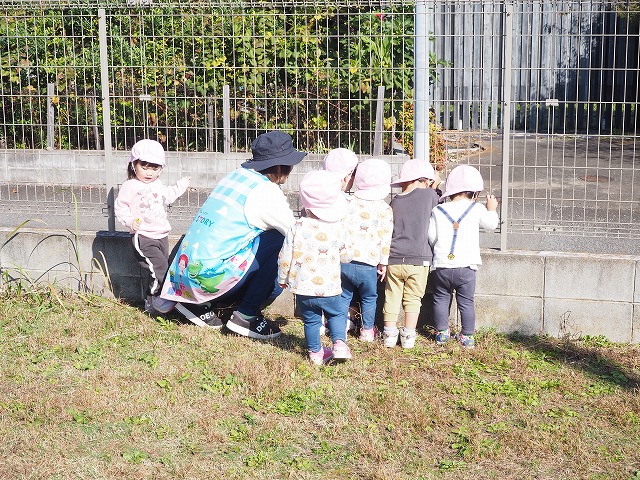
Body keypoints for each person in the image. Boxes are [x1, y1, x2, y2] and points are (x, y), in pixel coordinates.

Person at [161, 131, 306, 339]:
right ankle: (246, 316)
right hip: (207, 279)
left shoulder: (235, 176)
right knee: (280, 241)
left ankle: (195, 305)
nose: (291, 169)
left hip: (182, 279)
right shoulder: (266, 192)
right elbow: (296, 234)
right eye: (290, 164)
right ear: (279, 166)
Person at [277, 170, 354, 364]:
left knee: (311, 320)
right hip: (330, 288)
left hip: (303, 289)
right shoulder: (338, 227)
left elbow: (285, 256)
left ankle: (315, 353)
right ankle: (339, 344)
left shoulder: (297, 226)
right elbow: (347, 257)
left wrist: (283, 278)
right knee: (337, 314)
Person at [114, 139, 190, 314]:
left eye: (154, 168)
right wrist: (130, 221)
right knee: (160, 269)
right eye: (145, 167)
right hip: (143, 237)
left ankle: (150, 304)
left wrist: (180, 186)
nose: (149, 173)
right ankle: (159, 300)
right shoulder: (130, 186)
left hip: (162, 235)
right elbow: (120, 206)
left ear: (161, 169)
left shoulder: (158, 185)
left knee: (157, 271)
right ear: (134, 165)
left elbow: (168, 196)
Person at [428, 164, 499, 349]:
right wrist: (491, 209)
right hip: (466, 267)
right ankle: (467, 337)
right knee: (466, 302)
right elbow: (491, 225)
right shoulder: (476, 208)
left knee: (440, 298)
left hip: (442, 266)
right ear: (474, 193)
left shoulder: (438, 210)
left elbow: (431, 236)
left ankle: (442, 334)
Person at [382, 159, 440, 348]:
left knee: (392, 296)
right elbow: (439, 202)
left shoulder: (395, 201)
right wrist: (435, 187)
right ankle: (408, 335)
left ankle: (389, 334)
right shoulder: (430, 195)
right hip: (419, 260)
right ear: (423, 180)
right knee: (413, 299)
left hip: (394, 259)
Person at [341, 158, 393, 342]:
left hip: (344, 261)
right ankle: (367, 331)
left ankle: (340, 327)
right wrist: (383, 262)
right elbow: (386, 238)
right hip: (369, 264)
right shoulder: (384, 209)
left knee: (344, 295)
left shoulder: (347, 202)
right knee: (369, 297)